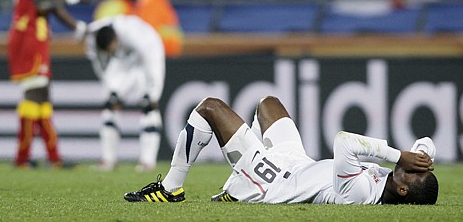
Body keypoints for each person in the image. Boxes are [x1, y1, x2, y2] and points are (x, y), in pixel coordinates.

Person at [124, 96, 438, 204]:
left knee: (209, 108)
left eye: (412, 172)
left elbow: (344, 141)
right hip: (298, 165)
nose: (412, 163)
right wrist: (423, 156)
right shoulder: (394, 182)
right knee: (268, 104)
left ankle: (170, 189)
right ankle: (239, 177)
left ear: (401, 189)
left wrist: (398, 155)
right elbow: (425, 142)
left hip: (275, 182)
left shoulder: (358, 194)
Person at [8, 0, 88, 168]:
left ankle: (53, 158)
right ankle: (23, 158)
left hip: (36, 36)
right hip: (29, 36)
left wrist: (76, 27)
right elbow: (43, 3)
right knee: (34, 93)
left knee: (41, 95)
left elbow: (49, 5)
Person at [86, 14, 165, 172]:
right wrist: (111, 89)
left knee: (148, 106)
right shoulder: (94, 38)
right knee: (110, 104)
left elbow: (152, 57)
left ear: (116, 39)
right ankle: (108, 160)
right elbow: (101, 66)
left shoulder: (134, 34)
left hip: (148, 54)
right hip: (124, 61)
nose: (109, 53)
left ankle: (147, 162)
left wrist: (153, 91)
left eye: (110, 49)